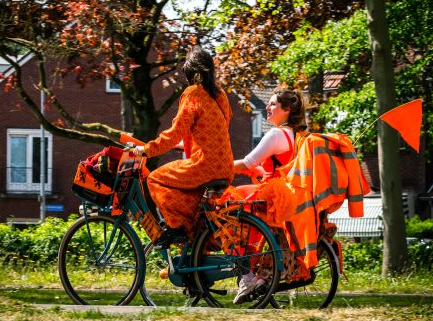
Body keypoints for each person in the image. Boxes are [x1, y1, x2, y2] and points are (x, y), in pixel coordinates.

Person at [132, 45, 235, 247]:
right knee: (195, 203)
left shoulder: (193, 94)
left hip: (204, 166)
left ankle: (177, 228)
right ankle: (194, 255)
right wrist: (190, 143)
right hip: (225, 166)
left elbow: (173, 133)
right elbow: (218, 125)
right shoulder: (220, 94)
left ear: (191, 73)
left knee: (155, 178)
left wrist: (147, 149)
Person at [229, 87, 308, 304]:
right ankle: (255, 273)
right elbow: (283, 167)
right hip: (288, 195)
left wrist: (221, 168)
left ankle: (246, 276)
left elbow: (247, 163)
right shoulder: (299, 136)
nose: (267, 107)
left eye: (273, 104)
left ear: (287, 110)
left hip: (271, 195)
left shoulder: (276, 134)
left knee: (229, 217)